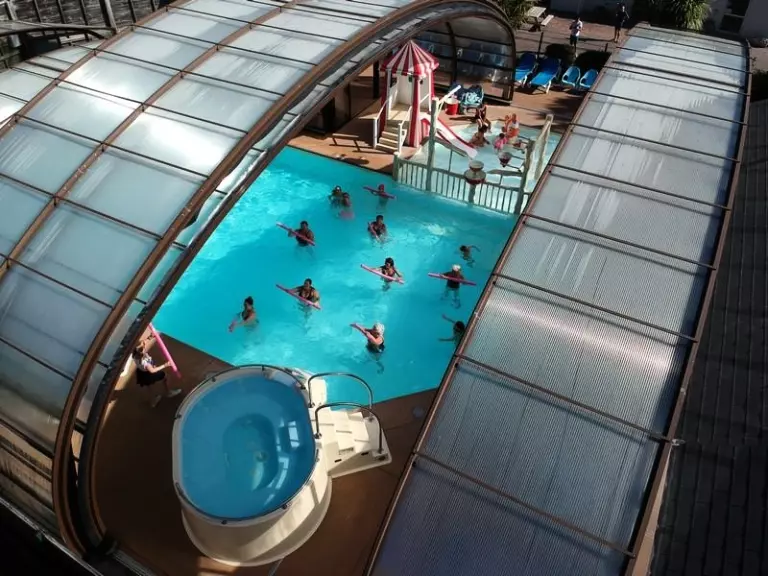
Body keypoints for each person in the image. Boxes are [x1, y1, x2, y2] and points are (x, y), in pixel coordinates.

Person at [132, 335, 181, 407]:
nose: (144, 345)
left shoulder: (135, 353)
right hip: (149, 374)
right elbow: (152, 371)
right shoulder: (145, 362)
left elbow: (142, 344)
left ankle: (153, 401)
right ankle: (168, 393)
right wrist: (165, 365)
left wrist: (149, 338)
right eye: (144, 347)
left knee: (148, 385)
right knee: (165, 376)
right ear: (142, 353)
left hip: (141, 373)